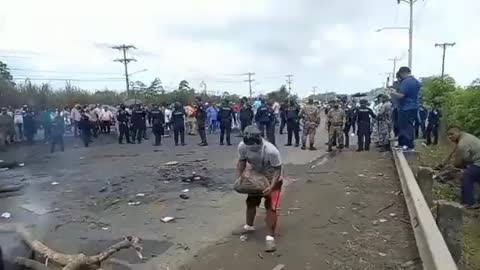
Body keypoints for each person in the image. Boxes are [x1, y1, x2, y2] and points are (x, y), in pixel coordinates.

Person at [235, 125, 283, 252]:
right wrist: (240, 177)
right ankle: (249, 226)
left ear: (259, 141)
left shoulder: (271, 151)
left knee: (271, 205)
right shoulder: (242, 146)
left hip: (273, 175)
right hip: (256, 174)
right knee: (251, 201)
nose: (251, 147)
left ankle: (270, 238)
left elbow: (278, 169)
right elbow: (242, 161)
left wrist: (271, 186)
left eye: (253, 145)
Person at [442, 126, 480, 208]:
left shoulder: (463, 143)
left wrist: (452, 167)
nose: (450, 137)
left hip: (478, 163)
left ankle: (469, 202)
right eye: (448, 135)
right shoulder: (465, 136)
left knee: (467, 176)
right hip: (477, 161)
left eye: (452, 134)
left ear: (458, 132)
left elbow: (460, 162)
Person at [389, 66, 421, 150]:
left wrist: (393, 92)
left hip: (405, 107)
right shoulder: (416, 81)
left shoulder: (406, 82)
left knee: (404, 126)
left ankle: (407, 145)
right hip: (414, 106)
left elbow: (401, 95)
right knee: (409, 125)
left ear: (403, 73)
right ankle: (403, 144)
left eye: (400, 75)